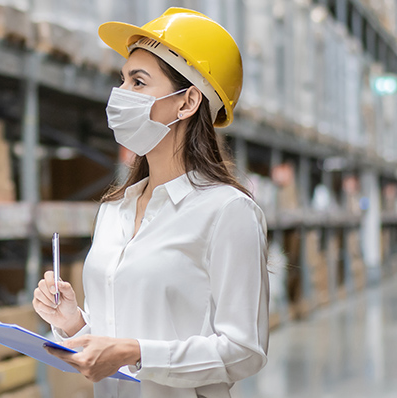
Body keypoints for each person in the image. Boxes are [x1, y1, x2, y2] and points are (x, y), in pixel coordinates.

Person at [32, 8, 269, 398]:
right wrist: (74, 323)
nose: (120, 95)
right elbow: (115, 341)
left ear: (187, 101)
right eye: (122, 80)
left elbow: (244, 350)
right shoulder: (114, 209)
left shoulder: (227, 212)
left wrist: (137, 352)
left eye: (138, 82)